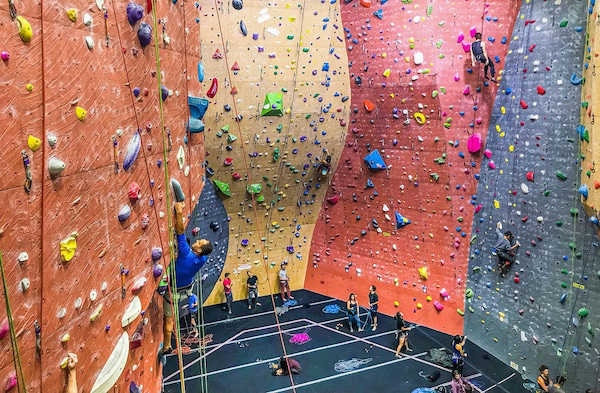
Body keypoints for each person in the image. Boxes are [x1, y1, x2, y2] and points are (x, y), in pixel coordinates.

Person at [162, 202, 213, 355]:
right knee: (171, 318)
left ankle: (166, 346)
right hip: (186, 290)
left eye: (199, 243)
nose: (197, 241)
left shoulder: (185, 253)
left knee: (169, 319)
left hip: (174, 290)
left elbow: (180, 231)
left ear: (198, 250)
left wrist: (179, 212)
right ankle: (166, 345)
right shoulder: (202, 259)